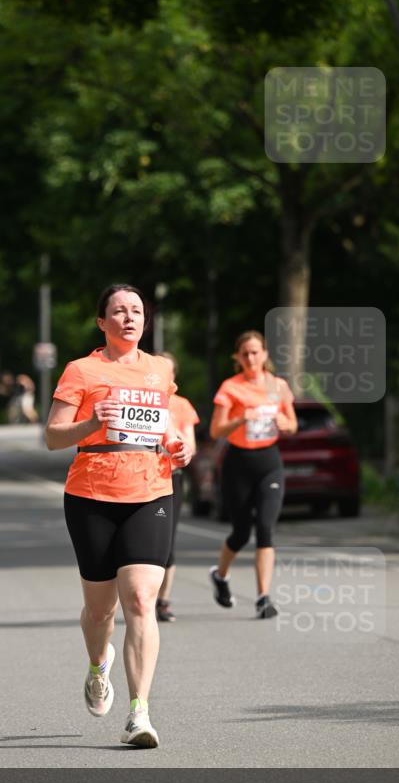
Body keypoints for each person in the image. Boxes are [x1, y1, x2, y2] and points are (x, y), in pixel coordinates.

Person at [45, 284, 192, 749]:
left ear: (145, 321)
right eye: (119, 311)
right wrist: (92, 423)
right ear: (101, 322)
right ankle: (96, 666)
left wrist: (178, 445)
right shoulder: (81, 370)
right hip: (91, 493)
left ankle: (139, 714)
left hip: (151, 490)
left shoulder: (159, 370)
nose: (129, 318)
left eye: (137, 311)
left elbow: (165, 425)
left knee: (141, 601)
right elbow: (52, 436)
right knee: (100, 608)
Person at [209, 330, 297, 619]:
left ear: (265, 354)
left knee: (265, 527)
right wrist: (239, 418)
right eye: (245, 353)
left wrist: (284, 422)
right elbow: (215, 431)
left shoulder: (278, 386)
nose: (250, 358)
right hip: (238, 463)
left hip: (269, 462)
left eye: (255, 352)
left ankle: (263, 597)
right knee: (241, 532)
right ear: (238, 357)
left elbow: (292, 425)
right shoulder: (230, 387)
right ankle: (221, 576)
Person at [155, 352, 200, 623]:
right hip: (137, 477)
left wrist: (176, 441)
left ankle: (163, 601)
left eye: (166, 372)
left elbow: (191, 446)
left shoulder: (181, 405)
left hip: (170, 478)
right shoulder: (138, 397)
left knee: (167, 544)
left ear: (173, 377)